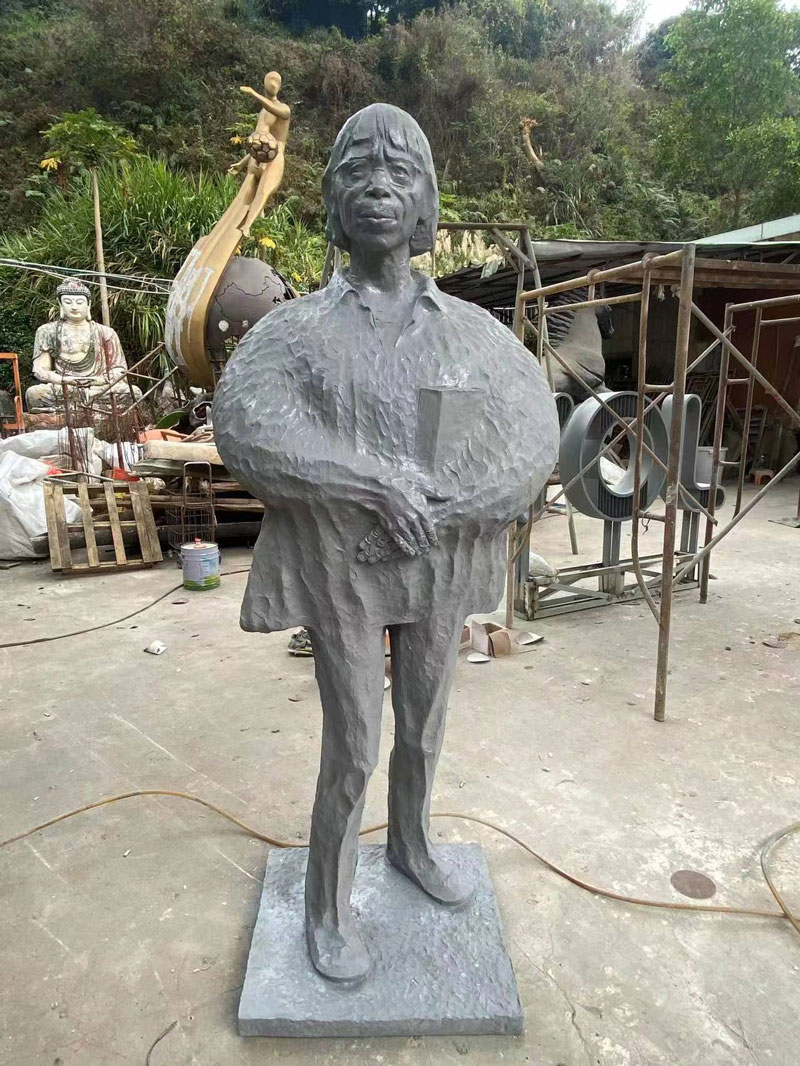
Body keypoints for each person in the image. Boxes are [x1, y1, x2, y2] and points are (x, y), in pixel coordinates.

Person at [213, 104, 559, 983]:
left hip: (438, 567)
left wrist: (459, 504)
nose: (378, 187)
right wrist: (368, 484)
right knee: (355, 743)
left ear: (425, 203)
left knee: (426, 726)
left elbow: (532, 438)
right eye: (357, 171)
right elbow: (246, 426)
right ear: (334, 199)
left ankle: (412, 842)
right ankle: (328, 904)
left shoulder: (473, 333)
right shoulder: (292, 330)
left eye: (399, 172)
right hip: (343, 571)